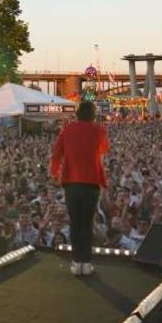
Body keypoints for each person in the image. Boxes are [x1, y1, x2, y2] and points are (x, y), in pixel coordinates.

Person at [49, 100, 109, 276]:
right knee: (87, 223)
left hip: (71, 183)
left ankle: (76, 262)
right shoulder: (99, 130)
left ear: (77, 114)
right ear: (93, 114)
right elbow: (103, 149)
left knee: (75, 223)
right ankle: (86, 263)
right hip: (91, 183)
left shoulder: (67, 130)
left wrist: (54, 173)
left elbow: (56, 153)